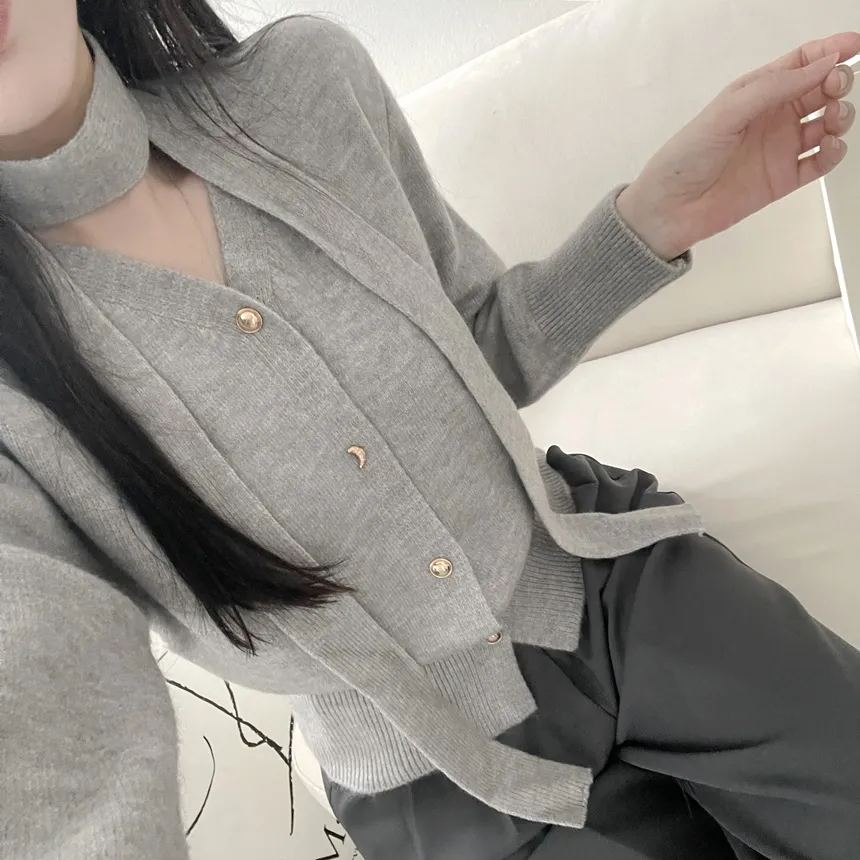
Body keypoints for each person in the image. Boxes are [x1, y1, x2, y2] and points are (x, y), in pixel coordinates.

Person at [0, 1, 858, 858]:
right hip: (430, 784)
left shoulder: (301, 85)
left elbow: (476, 349)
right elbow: (49, 721)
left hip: (607, 580)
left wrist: (654, 218)